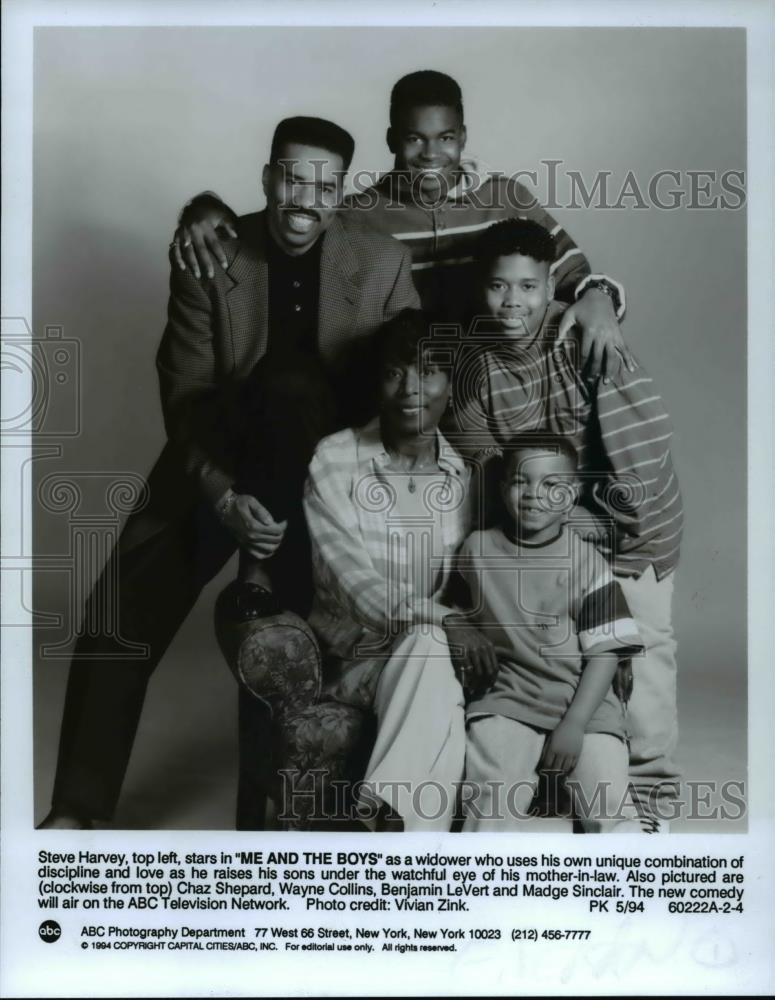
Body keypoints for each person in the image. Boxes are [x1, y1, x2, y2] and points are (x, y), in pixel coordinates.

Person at [38, 116, 419, 830]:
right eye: (292, 178)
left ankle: (274, 803)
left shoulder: (382, 262)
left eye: (325, 186)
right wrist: (220, 497)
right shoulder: (211, 253)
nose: (305, 198)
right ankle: (75, 811)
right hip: (219, 456)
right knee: (120, 609)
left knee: (284, 628)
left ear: (342, 194)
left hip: (324, 476)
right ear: (268, 178)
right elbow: (185, 397)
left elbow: (407, 382)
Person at [447, 217, 683, 828]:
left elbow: (640, 462)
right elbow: (490, 473)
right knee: (554, 646)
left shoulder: (588, 337)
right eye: (498, 286)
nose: (513, 302)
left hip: (632, 527)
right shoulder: (472, 366)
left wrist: (613, 547)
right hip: (552, 528)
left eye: (528, 287)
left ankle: (647, 802)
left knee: (642, 653)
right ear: (480, 286)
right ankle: (544, 778)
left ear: (552, 284)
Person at [171, 70, 632, 382]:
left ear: (463, 137)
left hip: (505, 377)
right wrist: (203, 210)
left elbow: (572, 275)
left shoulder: (508, 198)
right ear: (392, 139)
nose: (431, 154)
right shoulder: (359, 213)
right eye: (414, 139)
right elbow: (292, 220)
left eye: (445, 138)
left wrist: (599, 297)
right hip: (411, 388)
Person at [302, 309, 496, 831]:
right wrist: (447, 622)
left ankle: (385, 825)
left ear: (451, 385)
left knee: (431, 658)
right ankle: (404, 839)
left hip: (432, 655)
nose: (411, 388)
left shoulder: (463, 478)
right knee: (431, 648)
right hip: (355, 657)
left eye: (429, 371)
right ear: (377, 382)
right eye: (394, 372)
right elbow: (356, 587)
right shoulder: (335, 459)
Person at [455, 436, 647, 833]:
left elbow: (605, 653)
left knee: (610, 808)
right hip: (508, 699)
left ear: (571, 496)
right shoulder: (476, 550)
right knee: (491, 796)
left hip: (585, 706)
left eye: (551, 485)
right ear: (502, 488)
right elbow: (458, 614)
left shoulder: (587, 562)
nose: (532, 495)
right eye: (520, 481)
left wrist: (574, 724)